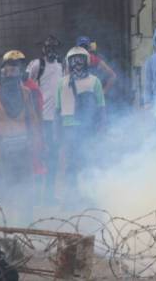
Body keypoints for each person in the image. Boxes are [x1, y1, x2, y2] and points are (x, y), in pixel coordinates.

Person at [0, 50, 41, 222]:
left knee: (26, 184)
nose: (13, 71)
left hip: (22, 145)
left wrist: (35, 138)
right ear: (3, 71)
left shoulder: (26, 92)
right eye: (10, 68)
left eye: (16, 68)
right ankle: (4, 221)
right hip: (2, 146)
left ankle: (26, 221)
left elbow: (33, 118)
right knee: (2, 185)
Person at [55, 47, 105, 200]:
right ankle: (72, 196)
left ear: (87, 61)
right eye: (74, 60)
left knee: (87, 162)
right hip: (68, 128)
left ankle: (88, 196)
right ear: (69, 63)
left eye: (80, 60)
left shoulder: (94, 81)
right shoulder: (62, 83)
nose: (77, 64)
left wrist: (102, 127)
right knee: (70, 165)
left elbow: (101, 107)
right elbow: (58, 110)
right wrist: (57, 132)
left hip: (87, 127)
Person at [27, 35, 63, 203]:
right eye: (48, 48)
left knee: (53, 158)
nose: (51, 51)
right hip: (41, 120)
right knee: (37, 157)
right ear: (43, 49)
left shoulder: (62, 65)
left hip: (56, 120)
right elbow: (26, 84)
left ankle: (48, 196)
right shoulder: (36, 65)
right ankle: (33, 195)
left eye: (54, 48)